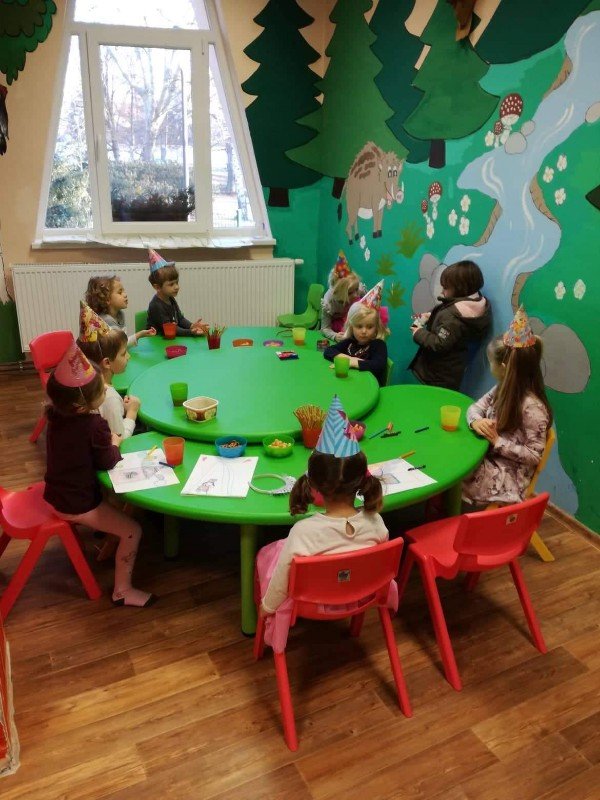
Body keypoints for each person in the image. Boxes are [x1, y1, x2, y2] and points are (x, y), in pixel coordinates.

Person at [43, 337, 156, 607]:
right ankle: (122, 591)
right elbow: (108, 461)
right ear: (82, 405)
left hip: (55, 494)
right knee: (133, 531)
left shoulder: (55, 417)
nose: (105, 392)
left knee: (120, 515)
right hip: (77, 504)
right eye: (101, 391)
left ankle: (108, 549)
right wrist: (114, 444)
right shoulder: (94, 425)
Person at [257, 395, 387, 619]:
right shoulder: (376, 522)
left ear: (314, 485)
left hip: (311, 606)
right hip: (359, 597)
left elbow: (280, 581)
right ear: (361, 480)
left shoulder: (303, 533)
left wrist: (266, 608)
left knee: (266, 556)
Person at [462, 307, 553, 508]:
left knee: (457, 471)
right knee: (456, 460)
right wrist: (476, 421)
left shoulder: (533, 408)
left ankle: (451, 516)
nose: (490, 367)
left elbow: (533, 455)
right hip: (490, 460)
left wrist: (497, 441)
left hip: (508, 478)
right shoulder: (502, 387)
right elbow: (475, 407)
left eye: (491, 362)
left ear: (503, 368)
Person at [408, 259, 491, 391]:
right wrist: (432, 316)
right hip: (451, 371)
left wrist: (417, 332)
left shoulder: (453, 317)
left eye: (446, 288)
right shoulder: (473, 305)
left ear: (460, 289)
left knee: (433, 399)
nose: (442, 292)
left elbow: (439, 343)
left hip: (438, 374)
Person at [78, 302, 140, 439]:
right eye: (123, 354)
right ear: (107, 362)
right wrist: (132, 413)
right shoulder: (110, 398)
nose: (128, 357)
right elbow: (119, 439)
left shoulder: (87, 387)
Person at [323, 281, 389, 386]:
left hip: (367, 387)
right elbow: (328, 351)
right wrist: (349, 359)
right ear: (352, 327)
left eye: (369, 327)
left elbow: (378, 365)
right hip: (348, 383)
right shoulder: (350, 342)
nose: (364, 331)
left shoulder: (378, 344)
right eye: (359, 326)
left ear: (376, 328)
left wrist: (354, 362)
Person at [146, 248, 206, 337]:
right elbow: (170, 329)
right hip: (157, 341)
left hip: (170, 338)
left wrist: (192, 326)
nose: (177, 287)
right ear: (157, 287)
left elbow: (180, 319)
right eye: (171, 284)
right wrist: (190, 332)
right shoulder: (156, 306)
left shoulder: (170, 298)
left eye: (177, 282)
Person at [85, 275, 155, 348]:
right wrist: (139, 335)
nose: (125, 295)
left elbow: (122, 342)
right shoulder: (107, 320)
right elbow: (120, 346)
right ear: (107, 300)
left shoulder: (120, 314)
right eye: (120, 292)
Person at [321, 251, 365, 341]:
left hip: (355, 322)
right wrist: (335, 336)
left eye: (356, 289)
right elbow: (325, 328)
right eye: (349, 293)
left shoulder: (359, 290)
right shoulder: (329, 303)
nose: (356, 295)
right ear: (338, 293)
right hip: (338, 327)